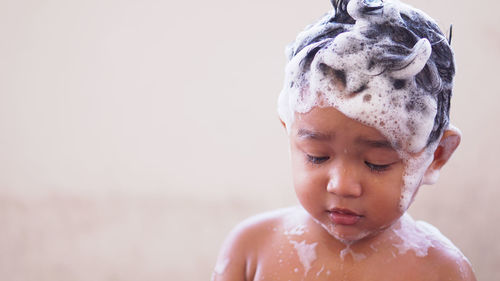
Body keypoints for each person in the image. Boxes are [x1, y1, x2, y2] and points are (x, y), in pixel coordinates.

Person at [212, 0, 477, 280]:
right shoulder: (251, 250)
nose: (341, 185)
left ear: (436, 155)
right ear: (289, 132)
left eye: (376, 163)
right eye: (317, 156)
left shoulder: (441, 272)